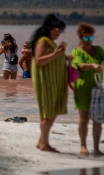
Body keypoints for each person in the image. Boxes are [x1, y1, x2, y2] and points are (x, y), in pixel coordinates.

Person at [30, 14, 68, 152]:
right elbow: (39, 60)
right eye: (56, 29)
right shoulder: (43, 41)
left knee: (53, 110)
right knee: (48, 111)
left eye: (60, 30)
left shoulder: (50, 42)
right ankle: (44, 144)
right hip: (47, 82)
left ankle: (41, 141)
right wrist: (57, 55)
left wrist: (63, 56)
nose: (58, 32)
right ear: (49, 28)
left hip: (53, 82)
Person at [70, 23, 104, 157]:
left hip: (97, 88)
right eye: (85, 38)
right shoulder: (77, 52)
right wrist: (92, 64)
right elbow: (80, 66)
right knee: (84, 118)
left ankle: (96, 147)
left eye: (91, 38)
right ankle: (83, 145)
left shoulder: (99, 50)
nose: (89, 41)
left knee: (98, 119)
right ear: (80, 38)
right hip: (82, 88)